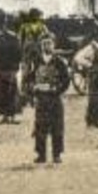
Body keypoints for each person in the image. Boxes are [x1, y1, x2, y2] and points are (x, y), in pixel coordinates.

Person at [31, 35, 71, 164]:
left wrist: (57, 89)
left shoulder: (59, 62)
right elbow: (28, 78)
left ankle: (57, 154)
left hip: (55, 98)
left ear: (53, 45)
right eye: (44, 43)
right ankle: (41, 154)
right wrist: (34, 88)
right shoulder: (36, 61)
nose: (46, 46)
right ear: (40, 46)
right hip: (41, 99)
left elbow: (66, 80)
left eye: (49, 43)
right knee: (40, 126)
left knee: (57, 127)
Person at [0, 14, 23, 124]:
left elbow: (18, 53)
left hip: (6, 67)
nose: (2, 27)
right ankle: (6, 116)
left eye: (3, 25)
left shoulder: (7, 37)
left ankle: (9, 116)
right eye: (0, 25)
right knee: (4, 92)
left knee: (9, 91)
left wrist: (16, 66)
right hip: (1, 67)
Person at [73, 27, 98, 128]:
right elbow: (78, 57)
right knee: (94, 98)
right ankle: (90, 120)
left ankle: (96, 119)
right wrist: (89, 65)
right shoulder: (91, 47)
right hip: (93, 75)